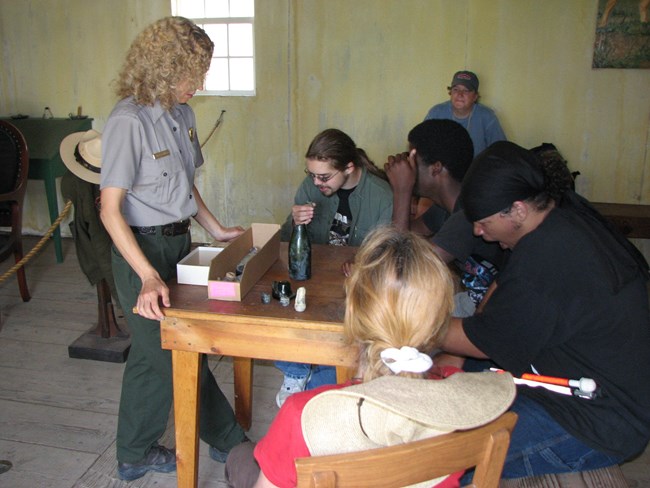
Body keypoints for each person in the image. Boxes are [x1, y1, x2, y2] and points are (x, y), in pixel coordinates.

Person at [223, 227, 516, 488]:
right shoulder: (460, 401)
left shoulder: (305, 416)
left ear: (354, 315)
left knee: (241, 457)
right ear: (439, 322)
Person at [438, 141, 650, 480]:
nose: (478, 232)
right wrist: (459, 353)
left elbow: (483, 340)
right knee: (442, 395)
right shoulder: (560, 216)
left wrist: (409, 324)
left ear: (518, 210)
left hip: (594, 420)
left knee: (441, 457)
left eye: (482, 222)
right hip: (581, 385)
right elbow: (500, 292)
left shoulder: (549, 256)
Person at [99, 17, 248, 482]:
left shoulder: (183, 115)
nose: (199, 84)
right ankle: (211, 444)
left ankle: (166, 448)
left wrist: (215, 227)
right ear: (164, 67)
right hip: (140, 254)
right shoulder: (128, 121)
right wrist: (146, 276)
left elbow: (185, 185)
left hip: (178, 245)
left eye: (203, 72)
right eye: (192, 73)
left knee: (171, 352)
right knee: (165, 355)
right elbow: (109, 211)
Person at [276, 128, 393, 407]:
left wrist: (364, 262)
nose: (316, 183)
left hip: (355, 285)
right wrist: (295, 222)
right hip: (313, 278)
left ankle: (320, 384)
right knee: (283, 307)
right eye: (311, 174)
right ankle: (295, 372)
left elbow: (386, 253)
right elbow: (284, 242)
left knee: (347, 333)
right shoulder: (309, 188)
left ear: (349, 167)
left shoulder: (380, 195)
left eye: (324, 177)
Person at [385, 119, 508, 316]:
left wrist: (402, 191)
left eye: (412, 160)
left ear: (436, 168)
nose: (407, 167)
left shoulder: (467, 217)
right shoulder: (445, 207)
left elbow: (401, 271)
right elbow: (403, 238)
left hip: (494, 312)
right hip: (473, 300)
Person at [424, 70, 506, 157]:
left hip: (475, 169)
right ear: (450, 93)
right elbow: (422, 143)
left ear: (475, 96)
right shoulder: (436, 113)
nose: (460, 94)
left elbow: (500, 151)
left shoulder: (487, 117)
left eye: (466, 91)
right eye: (456, 89)